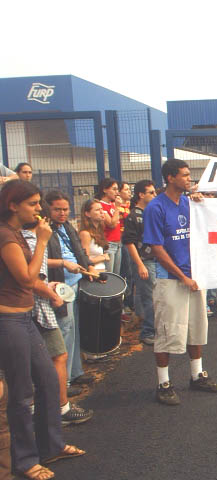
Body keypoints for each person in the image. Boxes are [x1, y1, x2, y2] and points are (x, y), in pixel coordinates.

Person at [0, 180, 85, 480]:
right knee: (22, 393)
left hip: (25, 319)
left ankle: (51, 445)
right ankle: (25, 460)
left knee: (48, 380)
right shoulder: (6, 236)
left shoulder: (17, 234)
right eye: (33, 204)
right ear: (13, 205)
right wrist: (42, 241)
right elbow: (25, 278)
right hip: (9, 322)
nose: (40, 209)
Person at [143, 159, 217, 406]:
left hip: (194, 277)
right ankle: (164, 384)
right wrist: (182, 276)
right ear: (170, 178)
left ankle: (197, 375)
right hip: (171, 279)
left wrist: (202, 204)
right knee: (168, 331)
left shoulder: (189, 203)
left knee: (196, 328)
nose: (189, 179)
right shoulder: (155, 208)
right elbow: (157, 248)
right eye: (185, 175)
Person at [22, 214, 94, 427]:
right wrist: (51, 294)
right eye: (33, 204)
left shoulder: (23, 237)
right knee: (57, 355)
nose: (37, 210)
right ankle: (59, 408)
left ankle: (43, 407)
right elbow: (30, 279)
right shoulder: (29, 239)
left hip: (35, 306)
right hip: (36, 309)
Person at [45, 190, 98, 398]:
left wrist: (88, 267)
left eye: (65, 209)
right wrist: (63, 263)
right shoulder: (44, 230)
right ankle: (63, 381)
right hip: (60, 286)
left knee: (74, 330)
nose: (62, 213)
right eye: (57, 209)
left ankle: (75, 372)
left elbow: (79, 251)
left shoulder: (66, 226)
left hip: (75, 283)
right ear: (47, 208)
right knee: (64, 332)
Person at [122, 180, 157, 345]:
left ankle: (154, 329)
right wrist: (140, 264)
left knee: (155, 297)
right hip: (144, 261)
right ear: (141, 195)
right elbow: (129, 242)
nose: (154, 195)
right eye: (151, 192)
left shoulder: (151, 213)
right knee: (150, 298)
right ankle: (148, 332)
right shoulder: (133, 216)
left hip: (155, 259)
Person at [96, 178, 123, 274]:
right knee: (110, 274)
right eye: (114, 189)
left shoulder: (112, 204)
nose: (117, 192)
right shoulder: (101, 205)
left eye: (117, 189)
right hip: (109, 243)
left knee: (116, 274)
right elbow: (112, 224)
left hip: (118, 242)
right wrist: (117, 208)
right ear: (105, 190)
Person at [78, 199, 110, 272]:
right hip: (93, 272)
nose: (102, 212)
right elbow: (84, 260)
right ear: (88, 214)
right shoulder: (85, 234)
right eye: (97, 210)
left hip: (102, 271)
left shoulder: (99, 231)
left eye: (102, 209)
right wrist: (103, 257)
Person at [117, 182, 134, 313]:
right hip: (122, 240)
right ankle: (124, 302)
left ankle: (130, 302)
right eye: (126, 189)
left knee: (131, 272)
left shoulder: (130, 206)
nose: (129, 192)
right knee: (125, 271)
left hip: (131, 239)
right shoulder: (118, 208)